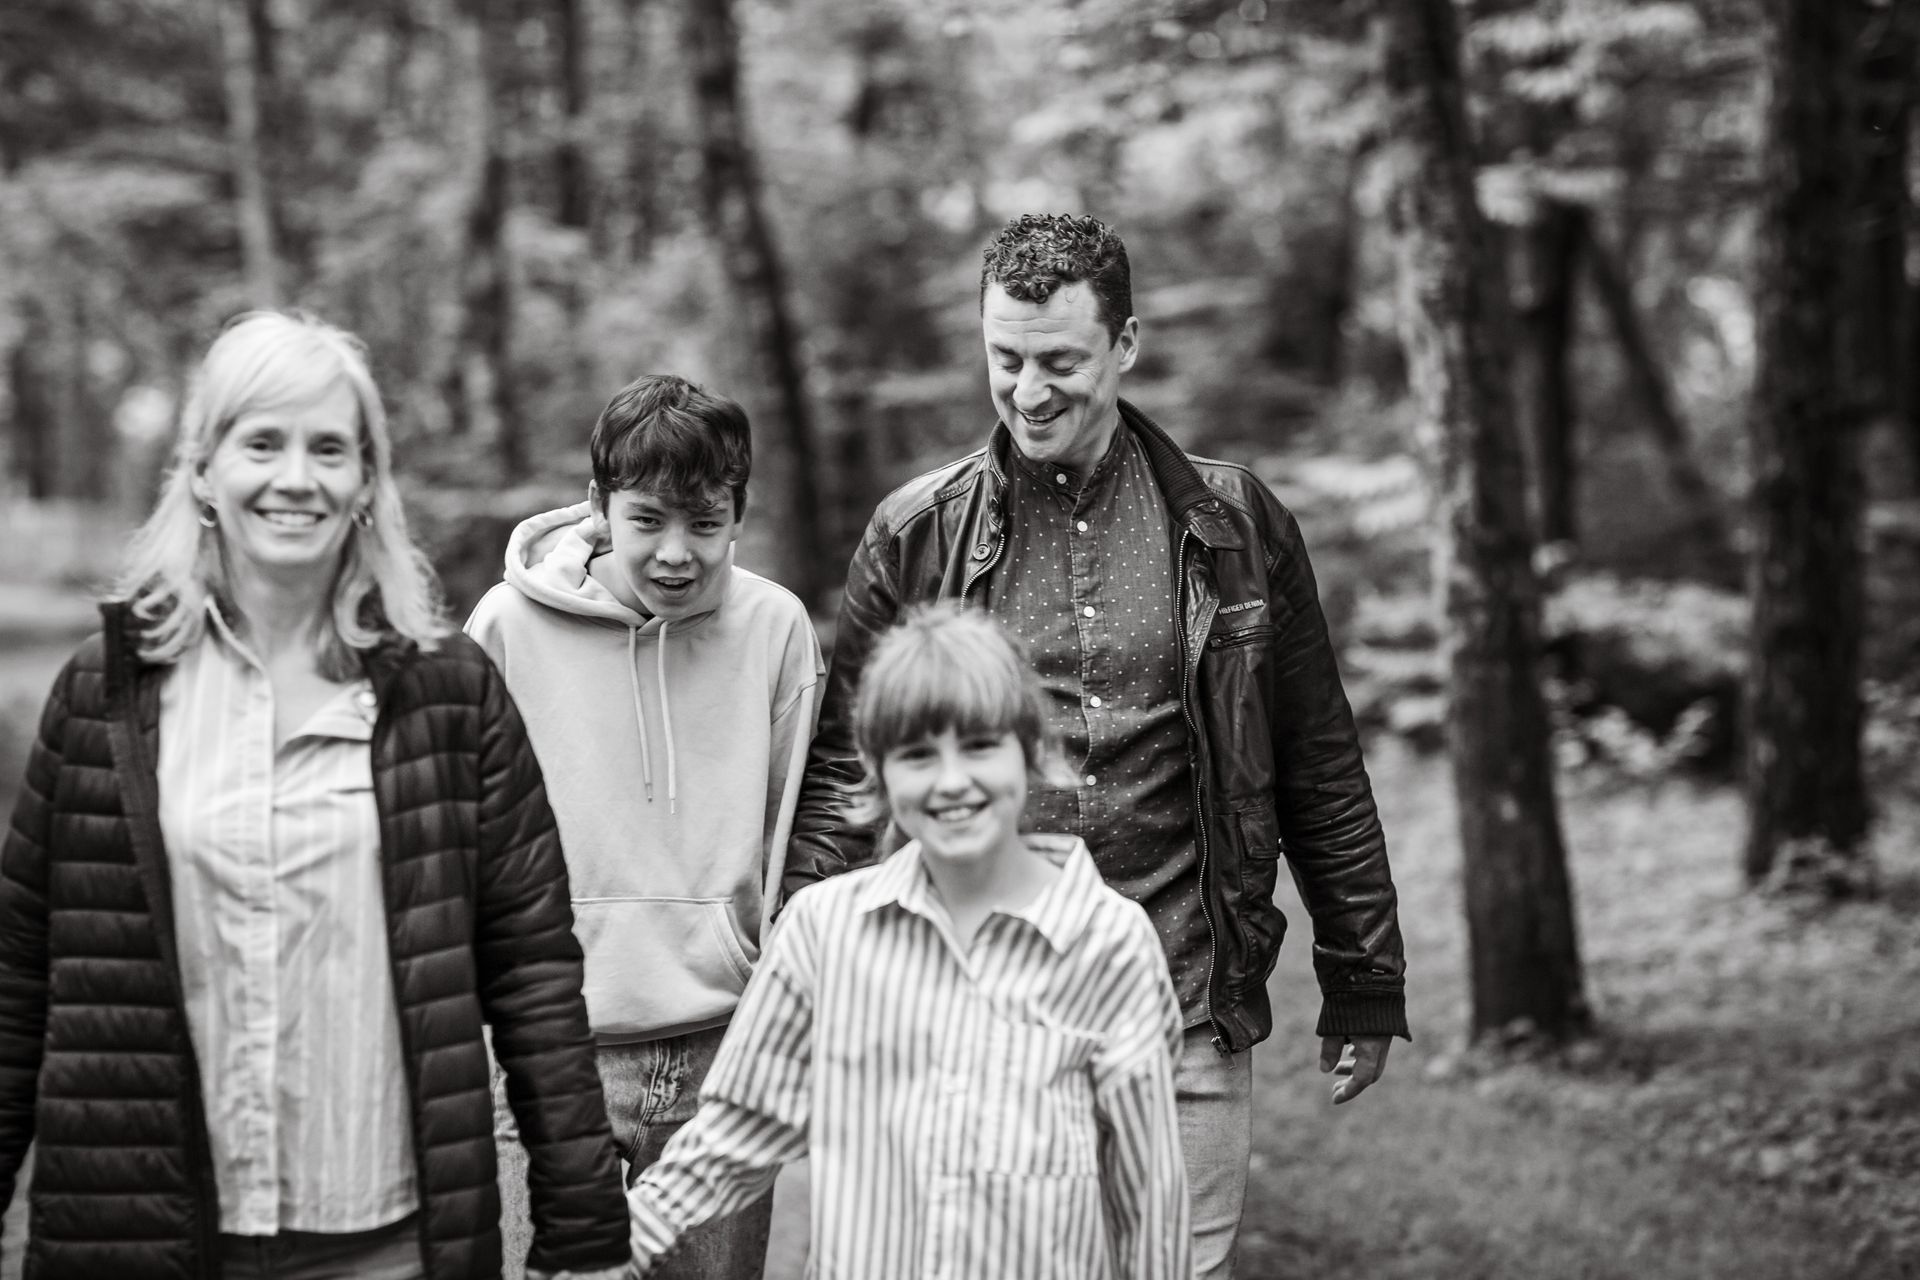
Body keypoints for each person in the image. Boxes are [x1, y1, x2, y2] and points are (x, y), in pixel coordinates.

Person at [785, 213, 1412, 1277]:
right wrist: (802, 988)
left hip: (1182, 1005)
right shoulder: (915, 533)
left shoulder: (1234, 522)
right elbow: (848, 769)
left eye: (1061, 361)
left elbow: (1313, 758)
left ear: (1126, 344)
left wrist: (1361, 975)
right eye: (1006, 358)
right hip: (974, 1022)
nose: (1029, 391)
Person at [0, 311, 629, 1280]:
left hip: (383, 1236)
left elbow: (534, 972)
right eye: (263, 441)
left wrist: (584, 1228)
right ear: (203, 471)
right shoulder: (107, 691)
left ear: (366, 482)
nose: (296, 475)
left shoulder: (448, 692)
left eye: (329, 447)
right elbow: (19, 978)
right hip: (145, 1234)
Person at [626, 602, 1190, 1279]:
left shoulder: (1108, 942)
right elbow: (734, 1139)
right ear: (880, 771)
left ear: (1031, 749)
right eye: (919, 755)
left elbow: (1145, 1195)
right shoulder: (824, 932)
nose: (952, 782)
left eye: (979, 747)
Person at [466, 373, 821, 1280]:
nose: (676, 553)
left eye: (705, 523)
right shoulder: (506, 626)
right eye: (647, 520)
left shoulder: (776, 629)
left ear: (739, 515)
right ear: (597, 507)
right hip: (539, 1053)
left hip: (720, 1056)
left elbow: (800, 828)